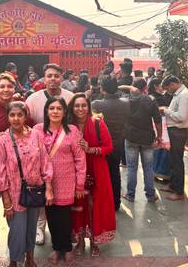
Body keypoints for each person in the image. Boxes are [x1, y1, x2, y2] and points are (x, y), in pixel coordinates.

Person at [0, 102, 53, 267]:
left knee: (31, 229)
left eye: (20, 115)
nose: (16, 119)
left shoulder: (36, 135)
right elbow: (1, 171)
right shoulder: (3, 140)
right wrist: (6, 201)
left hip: (34, 193)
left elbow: (45, 161)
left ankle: (29, 261)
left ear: (25, 116)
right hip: (14, 194)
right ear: (8, 117)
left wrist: (49, 186)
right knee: (17, 231)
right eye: (12, 115)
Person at [0, 73, 32, 260]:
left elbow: (31, 129)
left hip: (18, 164)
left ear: (15, 88)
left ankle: (22, 242)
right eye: (2, 87)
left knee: (18, 202)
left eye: (9, 87)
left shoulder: (22, 106)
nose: (6, 90)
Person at [25, 63, 74, 245]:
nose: (53, 79)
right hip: (39, 151)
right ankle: (40, 227)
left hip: (63, 151)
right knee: (41, 191)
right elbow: (25, 122)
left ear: (61, 78)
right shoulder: (32, 99)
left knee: (61, 194)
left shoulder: (69, 97)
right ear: (44, 78)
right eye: (49, 76)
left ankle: (62, 232)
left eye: (56, 76)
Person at [34, 97, 86, 264]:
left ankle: (67, 247)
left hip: (66, 182)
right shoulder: (37, 130)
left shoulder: (72, 131)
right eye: (51, 108)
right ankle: (57, 248)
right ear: (46, 111)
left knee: (65, 216)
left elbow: (80, 158)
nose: (55, 111)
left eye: (59, 108)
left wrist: (79, 184)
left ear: (64, 112)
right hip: (45, 182)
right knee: (51, 215)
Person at [69, 93, 116, 257]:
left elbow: (109, 147)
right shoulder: (69, 126)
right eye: (76, 106)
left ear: (88, 107)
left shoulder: (97, 123)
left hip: (97, 169)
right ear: (72, 108)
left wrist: (91, 150)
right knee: (78, 206)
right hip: (76, 170)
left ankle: (95, 241)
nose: (80, 109)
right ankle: (80, 240)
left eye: (83, 105)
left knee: (95, 205)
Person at [121, 79, 162, 203]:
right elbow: (157, 120)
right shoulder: (150, 100)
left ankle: (131, 194)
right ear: (145, 88)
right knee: (148, 168)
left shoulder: (126, 100)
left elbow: (119, 86)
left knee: (132, 167)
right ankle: (150, 195)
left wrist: (130, 86)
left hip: (131, 137)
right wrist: (159, 136)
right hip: (147, 139)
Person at [92, 76, 128, 211]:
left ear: (102, 88)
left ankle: (101, 202)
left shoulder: (97, 104)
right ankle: (115, 202)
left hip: (101, 144)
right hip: (117, 143)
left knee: (99, 174)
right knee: (114, 173)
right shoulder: (125, 103)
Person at [159, 76, 188, 201]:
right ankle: (173, 185)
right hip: (174, 130)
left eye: (168, 88)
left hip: (178, 131)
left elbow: (181, 116)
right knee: (173, 161)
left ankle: (179, 191)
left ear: (174, 83)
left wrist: (166, 111)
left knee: (177, 161)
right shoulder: (178, 94)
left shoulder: (184, 95)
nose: (168, 91)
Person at [148, 78, 173, 182]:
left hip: (164, 126)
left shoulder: (163, 96)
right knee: (160, 149)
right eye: (161, 85)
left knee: (163, 149)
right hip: (158, 125)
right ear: (155, 86)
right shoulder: (153, 97)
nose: (163, 87)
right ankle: (159, 173)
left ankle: (161, 173)